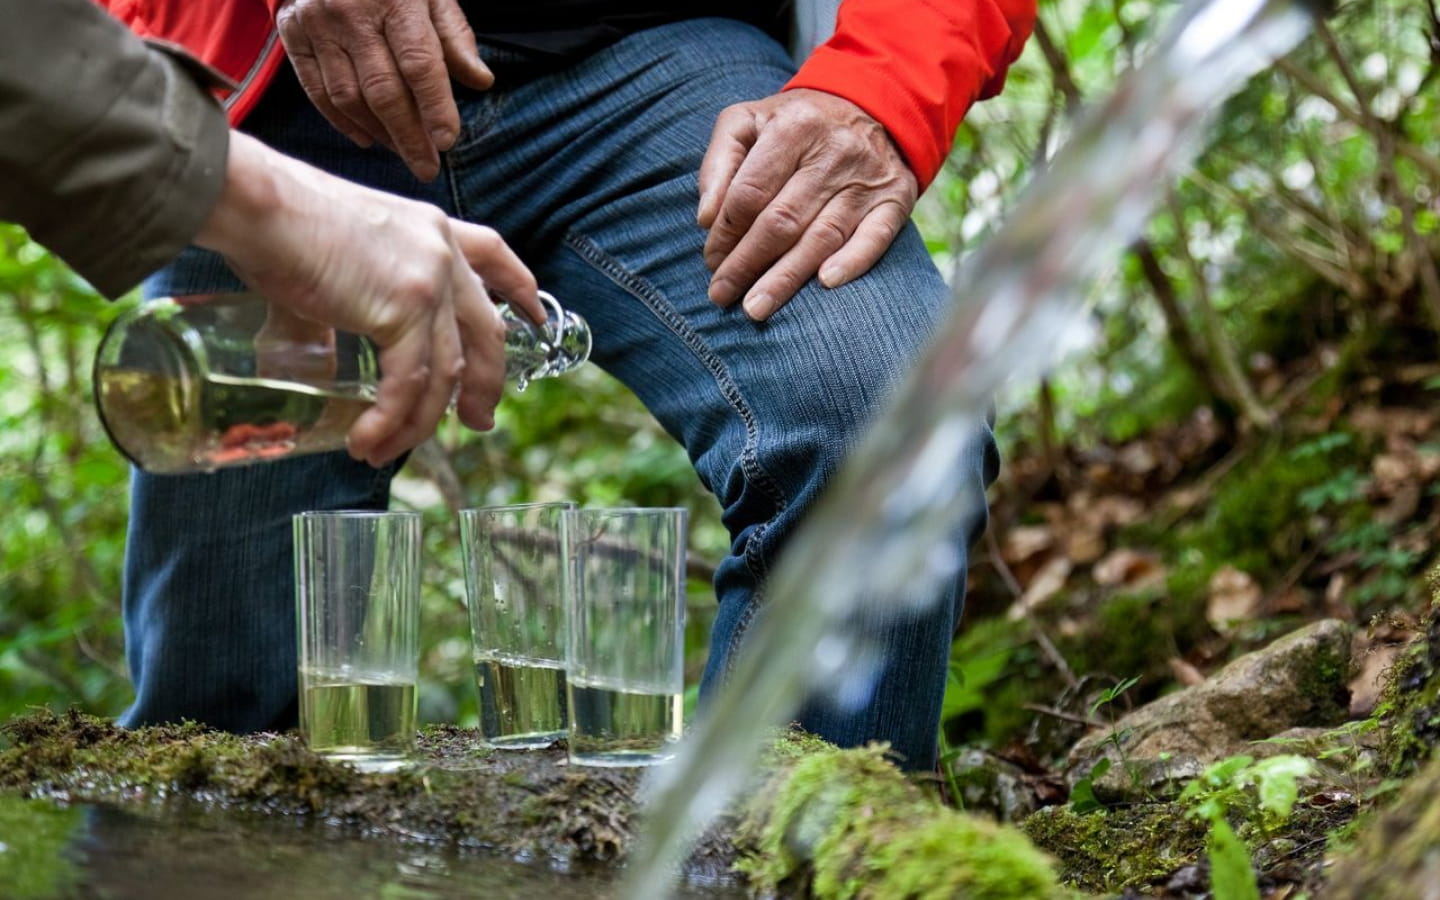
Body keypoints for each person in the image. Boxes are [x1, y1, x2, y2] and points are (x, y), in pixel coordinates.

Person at [101, 0, 1033, 771]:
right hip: (289, 93)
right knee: (212, 717)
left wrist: (883, 82)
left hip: (663, 56)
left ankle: (776, 850)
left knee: (893, 422)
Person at [0, 0, 543, 465]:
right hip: (258, 89)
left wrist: (253, 197)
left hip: (599, 56)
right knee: (218, 571)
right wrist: (261, 201)